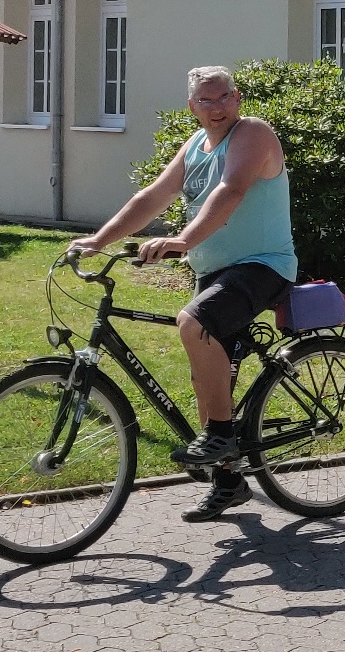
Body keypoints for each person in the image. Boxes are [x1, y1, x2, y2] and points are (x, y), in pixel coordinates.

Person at [71, 65, 295, 522]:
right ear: (191, 106)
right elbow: (153, 197)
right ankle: (228, 480)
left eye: (223, 98)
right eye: (205, 101)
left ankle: (220, 434)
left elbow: (230, 191)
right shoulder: (194, 145)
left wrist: (181, 241)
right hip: (214, 271)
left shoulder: (252, 134)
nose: (215, 108)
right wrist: (99, 240)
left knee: (194, 323)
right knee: (205, 376)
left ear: (238, 99)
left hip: (261, 266)